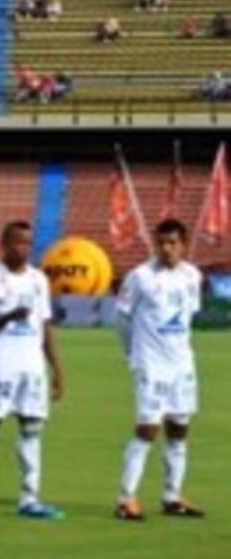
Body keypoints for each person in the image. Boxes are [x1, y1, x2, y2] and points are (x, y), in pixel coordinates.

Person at [0, 221, 65, 521]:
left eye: (27, 243)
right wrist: (8, 317)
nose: (23, 248)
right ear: (4, 244)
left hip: (31, 366)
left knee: (32, 428)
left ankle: (29, 498)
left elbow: (45, 326)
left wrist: (56, 369)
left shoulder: (38, 280)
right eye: (17, 242)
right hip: (0, 364)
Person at [114, 219, 205, 521]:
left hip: (182, 364)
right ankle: (126, 499)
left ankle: (172, 496)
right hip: (151, 365)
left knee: (179, 429)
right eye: (162, 243)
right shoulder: (140, 277)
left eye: (173, 243)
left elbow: (187, 317)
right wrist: (133, 354)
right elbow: (122, 319)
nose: (167, 249)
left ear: (184, 244)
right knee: (147, 429)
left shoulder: (192, 276)